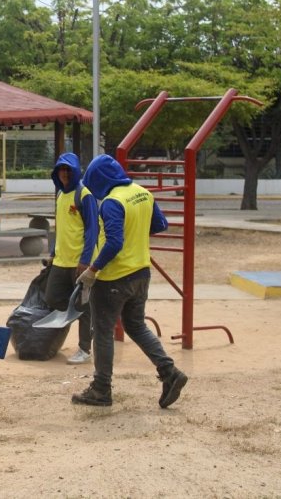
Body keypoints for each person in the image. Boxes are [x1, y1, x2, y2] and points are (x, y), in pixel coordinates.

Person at [72, 154, 188, 408]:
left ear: (100, 180)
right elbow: (160, 224)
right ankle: (169, 372)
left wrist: (93, 269)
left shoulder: (112, 202)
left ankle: (101, 389)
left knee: (102, 331)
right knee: (136, 326)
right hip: (141, 273)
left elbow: (114, 242)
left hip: (114, 278)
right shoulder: (143, 193)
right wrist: (134, 232)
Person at [45, 153, 98, 365]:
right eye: (61, 170)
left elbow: (93, 230)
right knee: (52, 298)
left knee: (84, 307)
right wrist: (52, 253)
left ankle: (84, 349)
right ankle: (85, 321)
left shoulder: (84, 195)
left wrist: (85, 260)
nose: (64, 174)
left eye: (68, 170)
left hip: (79, 263)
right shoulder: (60, 195)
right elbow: (61, 228)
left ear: (76, 171)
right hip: (60, 261)